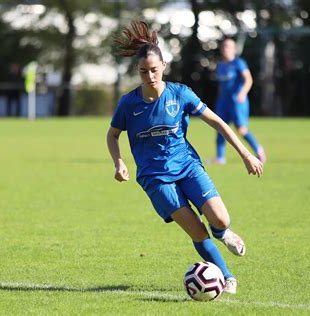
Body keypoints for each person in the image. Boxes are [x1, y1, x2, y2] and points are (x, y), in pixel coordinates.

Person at [106, 21, 264, 295]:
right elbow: (112, 135)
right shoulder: (129, 104)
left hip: (188, 166)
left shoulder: (180, 94)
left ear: (164, 65)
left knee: (221, 221)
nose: (150, 77)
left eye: (154, 70)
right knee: (196, 231)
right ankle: (226, 277)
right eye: (144, 72)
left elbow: (218, 122)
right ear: (138, 70)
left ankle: (222, 233)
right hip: (155, 179)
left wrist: (245, 154)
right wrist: (119, 162)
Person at [211, 38, 266, 165]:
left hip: (237, 102)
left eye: (229, 46)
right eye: (224, 46)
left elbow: (249, 79)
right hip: (223, 102)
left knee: (241, 130)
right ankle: (220, 158)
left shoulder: (238, 63)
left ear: (234, 50)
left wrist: (242, 93)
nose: (225, 49)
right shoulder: (220, 65)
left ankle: (258, 149)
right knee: (220, 128)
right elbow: (221, 85)